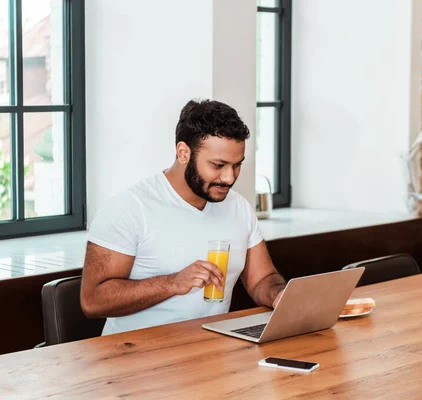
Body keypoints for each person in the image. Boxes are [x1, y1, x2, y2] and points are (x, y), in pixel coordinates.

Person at [80, 99, 286, 335]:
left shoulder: (238, 207)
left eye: (237, 165)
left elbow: (262, 279)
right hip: (135, 359)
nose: (229, 178)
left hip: (209, 352)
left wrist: (278, 295)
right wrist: (172, 283)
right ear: (183, 153)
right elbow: (93, 301)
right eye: (218, 165)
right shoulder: (129, 208)